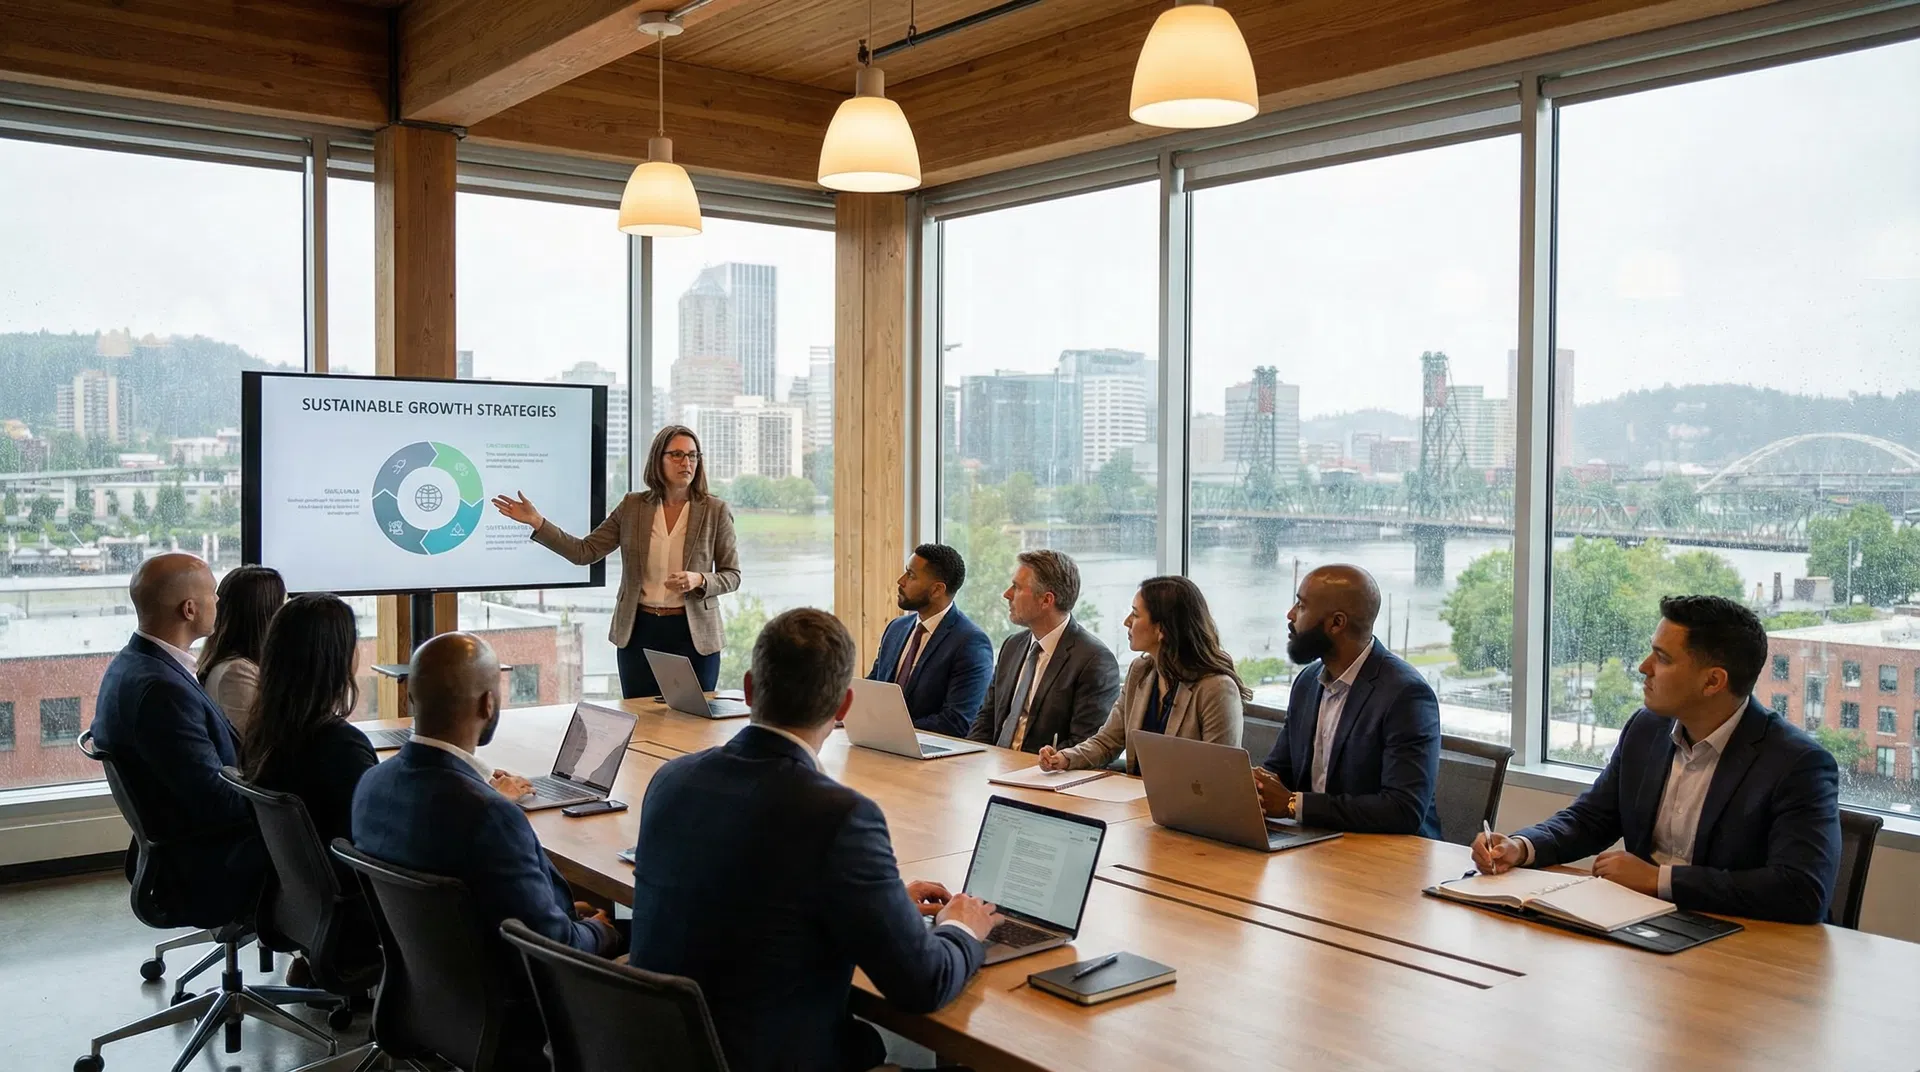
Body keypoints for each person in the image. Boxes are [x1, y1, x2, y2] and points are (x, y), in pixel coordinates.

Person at [629, 608, 999, 1072]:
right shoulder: (840, 816)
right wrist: (963, 927)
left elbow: (760, 891)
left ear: (748, 689)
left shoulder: (671, 780)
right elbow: (923, 985)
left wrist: (881, 906)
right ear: (843, 706)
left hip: (656, 1051)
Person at [1474, 595, 1840, 924]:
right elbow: (1592, 818)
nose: (1644, 667)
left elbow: (1801, 890)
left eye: (1662, 658)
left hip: (1743, 944)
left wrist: (1659, 879)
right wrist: (1522, 847)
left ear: (1712, 682)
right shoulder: (1647, 729)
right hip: (1638, 925)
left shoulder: (1798, 764)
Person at [351, 632, 620, 959]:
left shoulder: (370, 784)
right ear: (487, 704)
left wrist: (553, 910)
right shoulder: (488, 815)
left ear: (411, 699)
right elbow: (556, 948)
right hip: (516, 997)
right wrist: (598, 929)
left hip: (430, 986)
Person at [493, 424, 740, 699]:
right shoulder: (633, 506)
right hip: (639, 631)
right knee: (642, 722)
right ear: (658, 460)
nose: (687, 463)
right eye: (678, 455)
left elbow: (732, 575)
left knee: (693, 726)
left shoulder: (715, 510)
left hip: (693, 636)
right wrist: (537, 522)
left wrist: (700, 579)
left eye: (693, 456)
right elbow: (584, 552)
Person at [90, 552, 262, 923]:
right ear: (189, 609)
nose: (219, 602)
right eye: (214, 594)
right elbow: (216, 801)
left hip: (183, 846)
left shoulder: (132, 665)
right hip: (209, 864)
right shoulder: (161, 691)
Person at [1254, 564, 1443, 838]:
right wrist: (1255, 788)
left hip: (1394, 859)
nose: (1291, 614)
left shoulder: (1406, 694)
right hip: (1317, 846)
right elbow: (1280, 771)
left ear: (1336, 623)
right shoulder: (1307, 682)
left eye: (1301, 605)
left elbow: (1403, 810)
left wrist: (1293, 804)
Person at [1039, 576, 1247, 774]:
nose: (1127, 622)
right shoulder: (1140, 671)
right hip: (1136, 801)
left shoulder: (1217, 688)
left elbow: (1218, 775)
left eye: (1136, 615)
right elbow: (1107, 741)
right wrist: (1065, 759)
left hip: (1188, 808)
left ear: (1162, 628)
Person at [240, 593, 375, 856]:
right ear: (338, 658)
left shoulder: (263, 732)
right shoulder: (342, 748)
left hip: (294, 889)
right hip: (352, 888)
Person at [969, 550, 1120, 753]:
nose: (1007, 594)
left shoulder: (1094, 660)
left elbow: (1085, 744)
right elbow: (986, 719)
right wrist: (969, 760)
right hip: (992, 767)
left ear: (1046, 600)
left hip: (1041, 775)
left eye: (1017, 587)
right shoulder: (1012, 645)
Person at [866, 544, 993, 737]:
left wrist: (891, 731)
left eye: (911, 575)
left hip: (932, 759)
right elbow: (874, 687)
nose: (901, 581)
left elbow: (956, 721)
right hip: (879, 747)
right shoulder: (896, 628)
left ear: (936, 590)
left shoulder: (970, 642)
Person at [196, 564, 286, 732]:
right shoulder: (237, 672)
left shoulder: (237, 666)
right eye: (282, 604)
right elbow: (256, 743)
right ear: (268, 613)